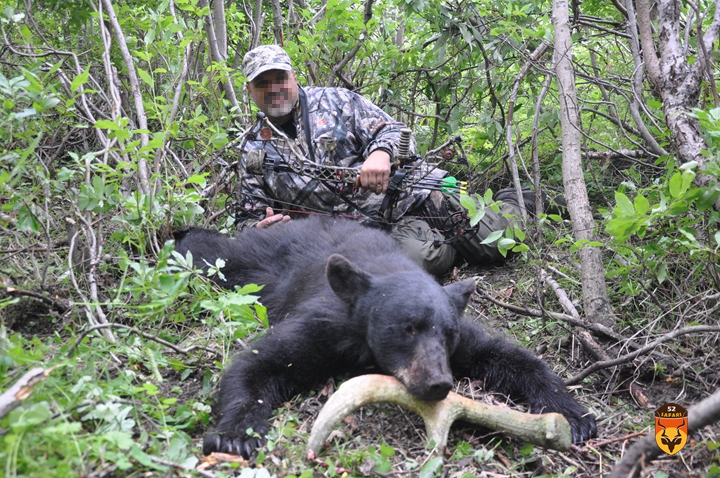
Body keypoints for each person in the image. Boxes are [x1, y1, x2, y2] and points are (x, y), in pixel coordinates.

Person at [235, 45, 553, 276]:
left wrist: (380, 154)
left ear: (293, 76)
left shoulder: (335, 102)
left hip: (413, 194)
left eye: (279, 78)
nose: (274, 89)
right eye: (263, 83)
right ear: (250, 90)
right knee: (416, 264)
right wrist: (260, 228)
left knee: (503, 244)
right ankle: (447, 239)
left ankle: (520, 199)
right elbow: (245, 221)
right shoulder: (254, 150)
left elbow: (396, 130)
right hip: (368, 234)